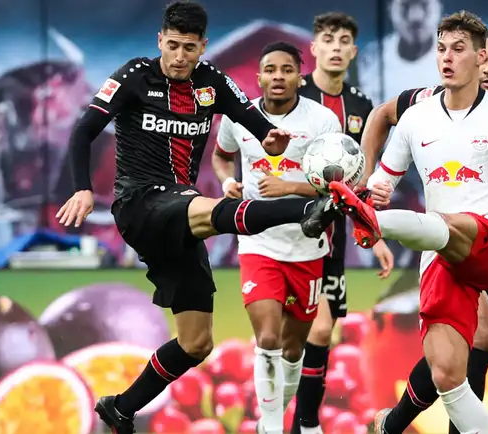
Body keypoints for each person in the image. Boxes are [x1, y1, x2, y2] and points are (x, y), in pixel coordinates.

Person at [56, 3, 343, 433]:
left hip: (181, 217)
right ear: (160, 40)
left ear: (203, 46)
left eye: (188, 48)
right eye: (172, 45)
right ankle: (305, 210)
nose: (179, 57)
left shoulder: (211, 82)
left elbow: (258, 126)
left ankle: (121, 408)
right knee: (209, 207)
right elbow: (83, 131)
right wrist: (82, 187)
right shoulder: (134, 76)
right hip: (140, 203)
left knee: (196, 342)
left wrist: (272, 140)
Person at [330, 11, 488, 433]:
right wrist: (371, 188)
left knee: (451, 230)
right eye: (441, 49)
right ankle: (391, 425)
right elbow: (384, 179)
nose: (447, 57)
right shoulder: (416, 117)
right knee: (447, 371)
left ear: (479, 57)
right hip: (440, 257)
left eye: (459, 49)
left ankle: (378, 223)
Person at [211, 42, 350, 434]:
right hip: (257, 243)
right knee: (268, 338)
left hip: (307, 246)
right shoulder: (239, 117)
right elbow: (221, 156)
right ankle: (272, 426)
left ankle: (268, 421)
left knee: (293, 349)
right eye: (270, 69)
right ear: (258, 78)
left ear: (299, 78)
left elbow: (339, 184)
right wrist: (227, 181)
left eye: (286, 70)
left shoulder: (322, 120)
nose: (277, 76)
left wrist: (289, 186)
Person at [290, 13, 392, 433]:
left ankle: (301, 424)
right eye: (328, 39)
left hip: (332, 239)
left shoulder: (362, 107)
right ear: (314, 48)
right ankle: (298, 422)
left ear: (353, 51)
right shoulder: (293, 95)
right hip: (288, 229)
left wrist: (374, 232)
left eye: (344, 40)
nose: (335, 47)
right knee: (300, 331)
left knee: (323, 328)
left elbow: (359, 179)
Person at [358, 0, 443, 102]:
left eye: (424, 5)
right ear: (390, 9)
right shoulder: (369, 60)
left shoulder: (455, 58)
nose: (415, 17)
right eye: (405, 6)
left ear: (439, 6)